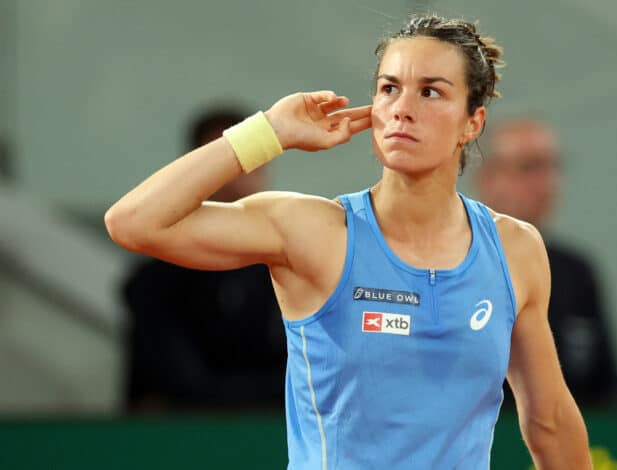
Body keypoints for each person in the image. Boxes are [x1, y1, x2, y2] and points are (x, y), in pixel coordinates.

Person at [105, 15, 591, 469]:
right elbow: (134, 223)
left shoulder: (515, 249)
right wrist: (268, 132)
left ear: (473, 123)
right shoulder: (314, 231)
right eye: (389, 88)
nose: (402, 108)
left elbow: (548, 420)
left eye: (430, 92)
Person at [122, 108, 286, 411]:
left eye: (251, 161)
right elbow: (175, 384)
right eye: (226, 165)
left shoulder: (294, 265)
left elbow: (310, 375)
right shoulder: (154, 282)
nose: (237, 180)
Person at [476, 118, 617, 406]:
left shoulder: (577, 272)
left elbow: (607, 385)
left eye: (552, 167)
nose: (546, 184)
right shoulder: (447, 267)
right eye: (530, 168)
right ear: (488, 179)